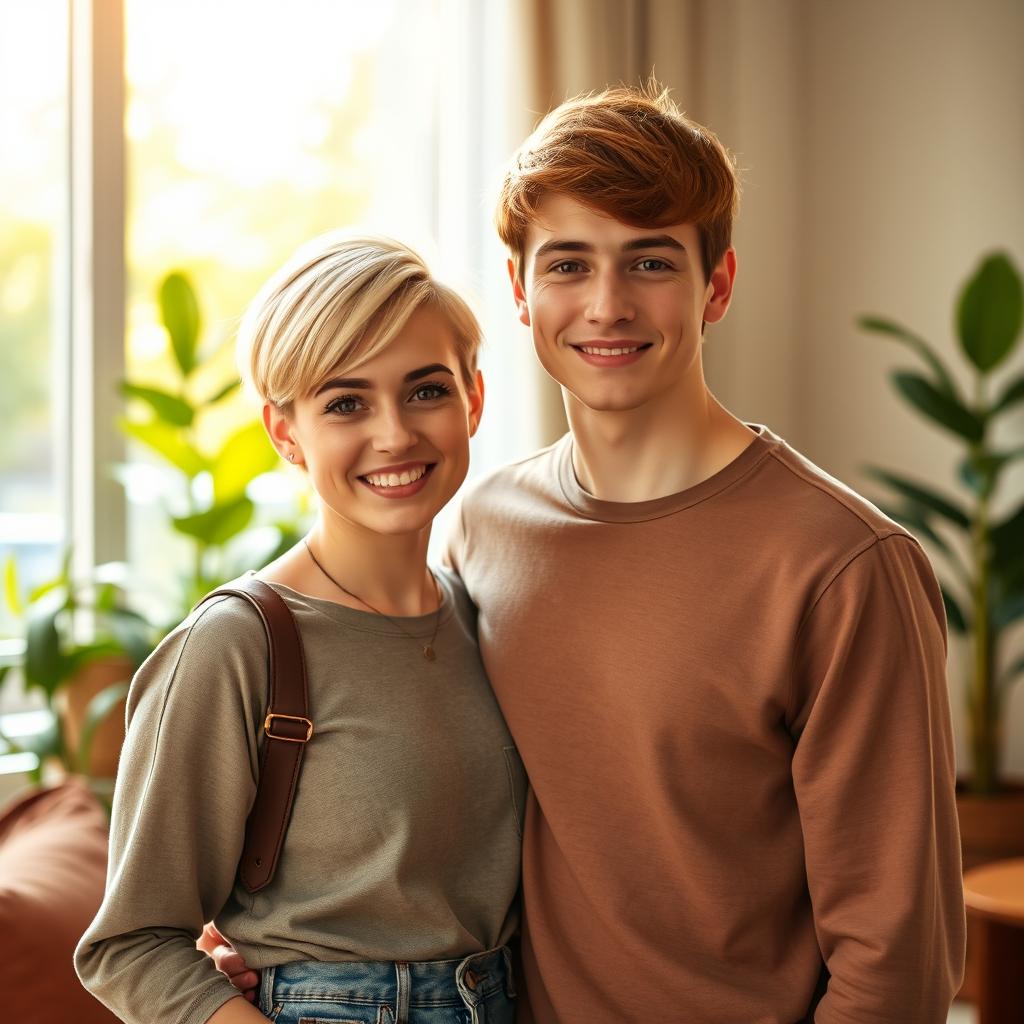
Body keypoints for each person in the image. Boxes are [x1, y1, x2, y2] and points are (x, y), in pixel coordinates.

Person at [208, 83, 967, 1022]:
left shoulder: (843, 566)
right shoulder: (480, 523)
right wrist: (270, 936)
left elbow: (896, 964)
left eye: (650, 261)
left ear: (716, 285)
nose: (607, 305)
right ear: (523, 293)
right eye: (569, 264)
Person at [75, 235, 525, 1024]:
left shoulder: (488, 616)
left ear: (474, 401)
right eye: (346, 403)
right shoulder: (236, 644)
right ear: (285, 433)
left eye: (426, 391)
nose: (394, 435)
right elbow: (130, 945)